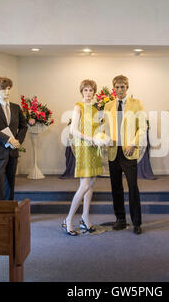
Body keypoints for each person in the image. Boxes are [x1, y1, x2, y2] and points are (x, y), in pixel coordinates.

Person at [103, 75, 147, 235]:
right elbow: (104, 128)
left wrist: (134, 143)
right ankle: (120, 220)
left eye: (123, 87)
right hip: (113, 152)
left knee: (133, 187)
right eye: (117, 87)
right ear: (113, 88)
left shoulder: (137, 104)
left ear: (127, 88)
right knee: (116, 188)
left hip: (129, 152)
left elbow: (142, 127)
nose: (120, 90)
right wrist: (102, 139)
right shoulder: (108, 106)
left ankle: (137, 222)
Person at [62, 79, 103, 236]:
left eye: (91, 90)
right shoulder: (78, 107)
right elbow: (73, 130)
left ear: (94, 92)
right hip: (84, 148)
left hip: (93, 148)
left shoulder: (94, 109)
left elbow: (96, 129)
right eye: (85, 90)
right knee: (84, 185)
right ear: (81, 92)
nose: (88, 93)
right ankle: (68, 219)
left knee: (91, 184)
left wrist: (99, 138)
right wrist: (91, 139)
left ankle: (85, 218)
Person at [0, 77, 28, 201]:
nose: (6, 92)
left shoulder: (15, 107)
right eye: (3, 89)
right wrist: (9, 139)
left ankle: (9, 208)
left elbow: (23, 126)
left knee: (10, 181)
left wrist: (18, 140)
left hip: (13, 150)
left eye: (8, 89)